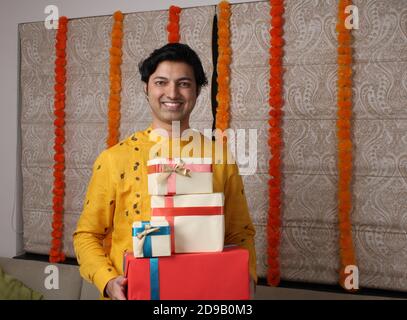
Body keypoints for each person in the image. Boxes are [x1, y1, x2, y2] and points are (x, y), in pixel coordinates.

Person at [73, 43, 257, 300]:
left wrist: (246, 276)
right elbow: (87, 235)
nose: (172, 92)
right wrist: (109, 281)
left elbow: (240, 232)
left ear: (197, 91)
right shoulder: (115, 159)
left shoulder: (220, 157)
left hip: (204, 295)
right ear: (146, 88)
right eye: (161, 82)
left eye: (184, 83)